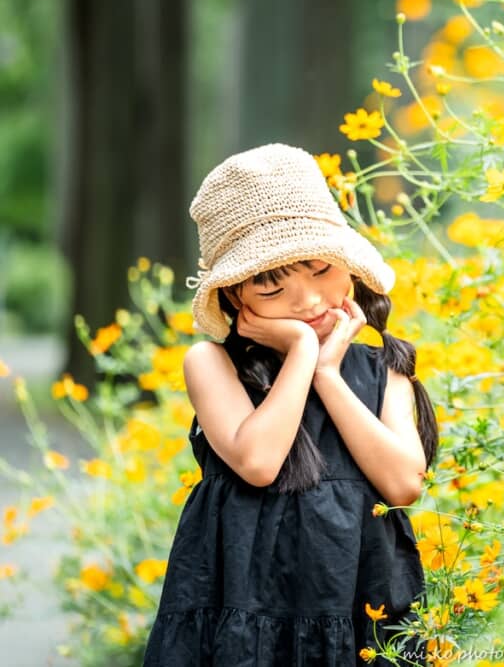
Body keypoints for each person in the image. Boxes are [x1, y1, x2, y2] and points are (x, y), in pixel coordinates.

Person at [143, 143, 437, 666]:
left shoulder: (384, 367)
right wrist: (303, 351)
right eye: (271, 287)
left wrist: (328, 374)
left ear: (346, 262)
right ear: (235, 297)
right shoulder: (211, 364)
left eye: (321, 269)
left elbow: (403, 483)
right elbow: (259, 463)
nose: (306, 300)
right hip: (242, 605)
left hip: (356, 600)